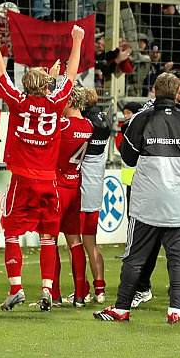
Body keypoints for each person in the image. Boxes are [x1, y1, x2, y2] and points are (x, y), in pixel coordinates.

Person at [94, 72, 180, 324]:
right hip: (179, 202)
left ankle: (122, 309)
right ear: (177, 93)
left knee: (134, 257)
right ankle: (176, 308)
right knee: (178, 258)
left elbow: (128, 157)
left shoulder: (142, 118)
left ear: (155, 92)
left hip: (146, 202)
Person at [0, 22, 84, 312]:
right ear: (46, 87)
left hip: (22, 180)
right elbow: (71, 75)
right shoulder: (56, 103)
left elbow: (0, 71)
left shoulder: (17, 101)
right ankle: (46, 288)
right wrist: (77, 41)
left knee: (11, 232)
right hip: (49, 181)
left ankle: (16, 288)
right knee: (47, 236)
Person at [54, 85, 93, 307]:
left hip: (57, 186)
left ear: (69, 101)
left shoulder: (63, 125)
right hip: (75, 186)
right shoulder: (88, 126)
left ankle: (54, 295)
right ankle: (80, 296)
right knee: (75, 241)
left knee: (49, 240)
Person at [79, 87, 112, 304]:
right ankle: (100, 290)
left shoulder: (84, 124)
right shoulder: (104, 121)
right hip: (96, 191)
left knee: (76, 243)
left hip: (81, 190)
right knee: (91, 242)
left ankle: (81, 290)